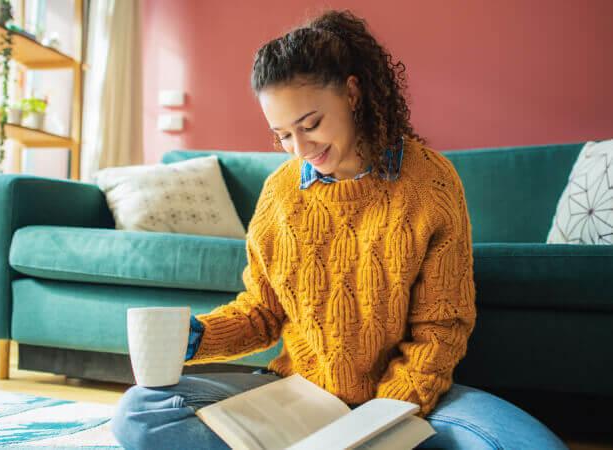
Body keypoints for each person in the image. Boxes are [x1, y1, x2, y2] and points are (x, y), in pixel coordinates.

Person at [112, 9, 567, 450]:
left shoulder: (431, 183)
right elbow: (262, 312)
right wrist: (198, 337)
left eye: (310, 124)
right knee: (140, 414)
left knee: (527, 443)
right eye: (283, 135)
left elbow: (441, 327)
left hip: (403, 399)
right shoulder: (280, 193)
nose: (300, 148)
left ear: (352, 94)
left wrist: (384, 416)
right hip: (297, 396)